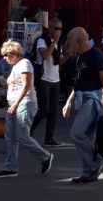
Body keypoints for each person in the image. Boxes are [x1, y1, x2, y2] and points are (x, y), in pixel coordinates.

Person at [0, 40, 54, 179]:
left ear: (15, 53)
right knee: (10, 137)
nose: (4, 58)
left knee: (22, 136)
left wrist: (16, 104)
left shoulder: (25, 63)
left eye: (7, 55)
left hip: (24, 103)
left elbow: (26, 85)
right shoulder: (15, 66)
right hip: (13, 103)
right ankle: (10, 167)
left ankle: (45, 156)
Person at [62, 27, 103, 184]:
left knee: (77, 134)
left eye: (70, 40)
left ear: (78, 40)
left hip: (92, 99)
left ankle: (96, 162)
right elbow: (77, 83)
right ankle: (88, 172)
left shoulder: (96, 54)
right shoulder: (80, 57)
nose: (68, 43)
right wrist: (68, 102)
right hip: (81, 98)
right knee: (87, 135)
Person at [30, 18, 64, 146]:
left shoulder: (58, 43)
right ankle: (28, 131)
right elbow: (45, 55)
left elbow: (59, 61)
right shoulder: (42, 40)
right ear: (50, 28)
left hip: (55, 79)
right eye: (56, 29)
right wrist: (54, 42)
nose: (58, 32)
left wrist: (67, 55)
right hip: (43, 78)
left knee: (54, 110)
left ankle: (49, 138)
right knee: (44, 108)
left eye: (60, 29)